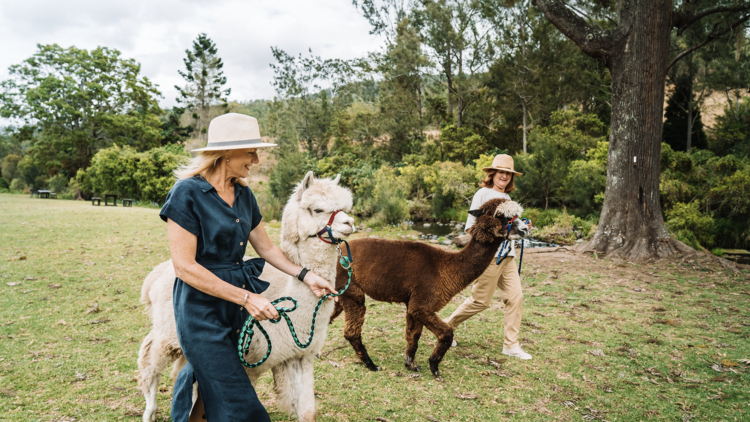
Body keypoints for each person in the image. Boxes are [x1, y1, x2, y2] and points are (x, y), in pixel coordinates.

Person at [160, 113, 339, 421]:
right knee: (238, 399)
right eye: (251, 151)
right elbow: (185, 267)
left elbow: (267, 248)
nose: (256, 159)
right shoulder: (187, 193)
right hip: (200, 308)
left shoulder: (244, 195)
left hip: (236, 307)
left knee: (209, 389)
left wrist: (307, 275)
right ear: (227, 153)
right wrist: (248, 298)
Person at [443, 154, 532, 360]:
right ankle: (446, 326)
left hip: (508, 255)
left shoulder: (508, 199)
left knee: (515, 297)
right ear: (492, 174)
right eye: (501, 172)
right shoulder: (482, 194)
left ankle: (511, 345)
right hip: (489, 258)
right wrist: (494, 236)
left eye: (508, 174)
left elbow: (509, 228)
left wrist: (521, 227)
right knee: (480, 301)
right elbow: (470, 227)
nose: (504, 177)